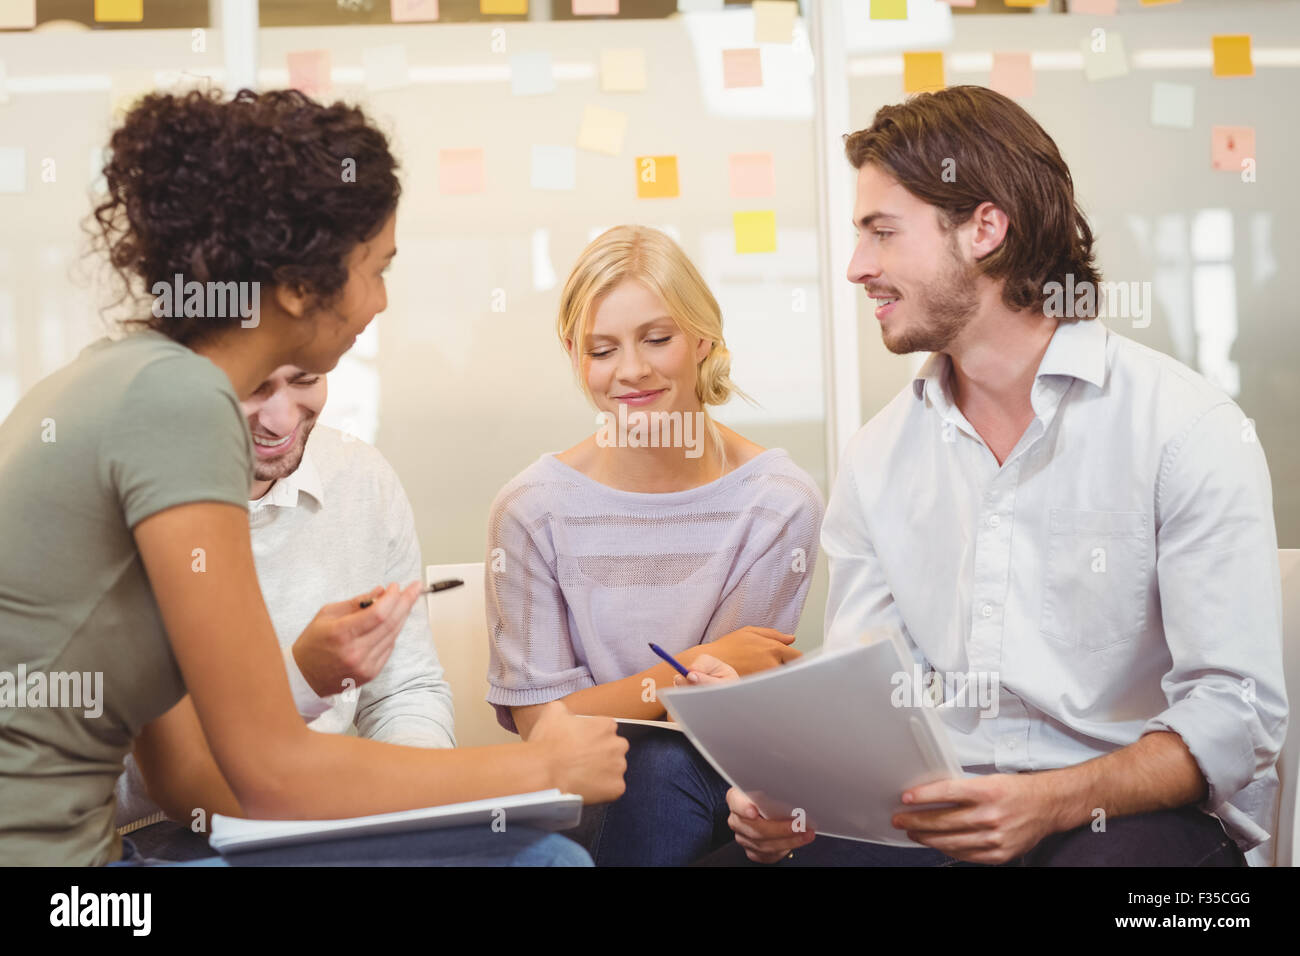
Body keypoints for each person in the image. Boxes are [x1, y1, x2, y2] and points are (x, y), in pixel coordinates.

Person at [0, 87, 625, 867]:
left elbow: (197, 782)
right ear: (300, 287)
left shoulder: (120, 382)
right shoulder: (177, 405)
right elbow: (272, 775)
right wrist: (536, 768)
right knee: (545, 863)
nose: (381, 301)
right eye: (376, 268)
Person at [715, 85, 1286, 867]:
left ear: (985, 228)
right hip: (937, 812)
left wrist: (1050, 801)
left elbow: (1237, 715)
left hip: (1126, 820)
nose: (857, 269)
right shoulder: (879, 456)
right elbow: (874, 697)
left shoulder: (1184, 430)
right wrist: (802, 789)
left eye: (882, 233)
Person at [484, 225, 825, 866]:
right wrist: (683, 668)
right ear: (574, 354)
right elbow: (546, 729)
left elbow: (720, 710)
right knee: (656, 764)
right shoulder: (531, 509)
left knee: (677, 764)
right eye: (602, 349)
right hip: (585, 801)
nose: (631, 371)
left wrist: (689, 677)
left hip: (724, 793)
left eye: (657, 339)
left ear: (703, 338)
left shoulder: (778, 501)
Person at [113, 366, 458, 860]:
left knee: (552, 859)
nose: (279, 421)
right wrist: (301, 678)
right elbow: (182, 775)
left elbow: (405, 691)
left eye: (305, 378)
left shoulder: (362, 479)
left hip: (325, 818)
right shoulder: (136, 500)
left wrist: (414, 814)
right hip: (159, 836)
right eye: (254, 385)